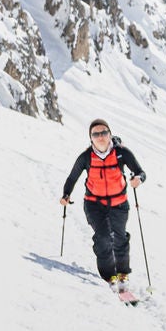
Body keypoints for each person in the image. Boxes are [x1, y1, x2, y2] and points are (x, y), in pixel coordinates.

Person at [60, 119, 146, 299]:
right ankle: (109, 276)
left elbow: (140, 171)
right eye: (96, 134)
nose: (100, 137)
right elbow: (72, 177)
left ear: (110, 134)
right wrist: (66, 195)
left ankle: (123, 273)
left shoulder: (121, 153)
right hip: (94, 204)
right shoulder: (86, 157)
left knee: (120, 238)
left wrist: (138, 179)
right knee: (104, 238)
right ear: (91, 138)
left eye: (104, 132)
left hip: (119, 204)